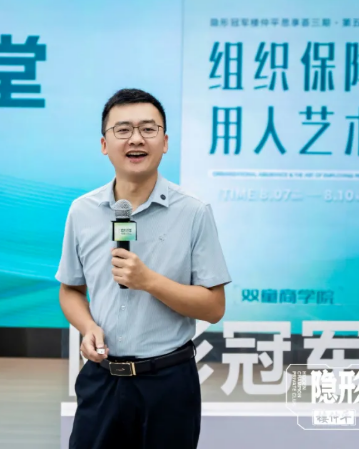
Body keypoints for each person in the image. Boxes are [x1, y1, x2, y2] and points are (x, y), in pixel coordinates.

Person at [56, 88, 231, 449]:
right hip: (102, 380)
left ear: (164, 143)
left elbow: (214, 307)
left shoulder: (193, 212)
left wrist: (149, 281)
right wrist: (88, 327)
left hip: (168, 382)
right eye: (123, 130)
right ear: (104, 144)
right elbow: (70, 289)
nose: (136, 139)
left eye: (148, 129)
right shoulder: (82, 211)